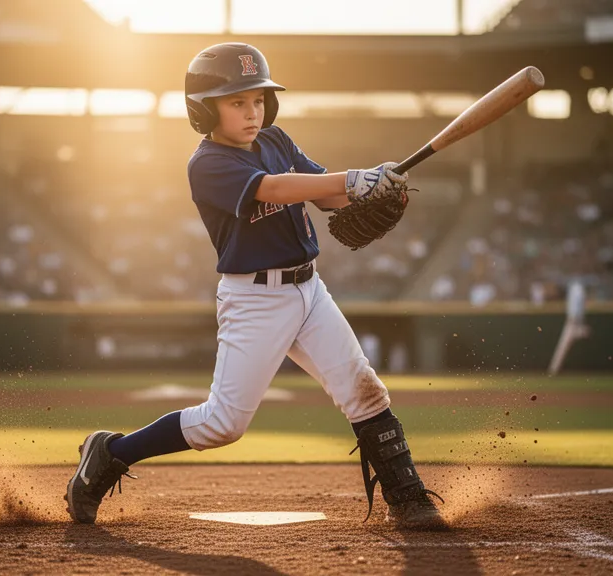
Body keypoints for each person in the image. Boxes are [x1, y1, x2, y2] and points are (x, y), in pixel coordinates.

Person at [65, 43, 444, 529]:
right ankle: (112, 451)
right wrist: (353, 179)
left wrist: (376, 182)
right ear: (205, 109)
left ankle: (409, 499)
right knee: (223, 424)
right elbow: (275, 188)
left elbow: (323, 195)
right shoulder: (207, 164)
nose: (252, 112)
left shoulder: (276, 139)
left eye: (258, 100)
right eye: (236, 102)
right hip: (255, 300)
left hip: (310, 291)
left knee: (365, 389)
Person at [548, 277, 591, 376]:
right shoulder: (577, 289)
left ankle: (554, 370)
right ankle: (554, 370)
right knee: (565, 344)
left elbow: (576, 307)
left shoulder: (576, 289)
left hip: (574, 322)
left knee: (564, 345)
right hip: (575, 321)